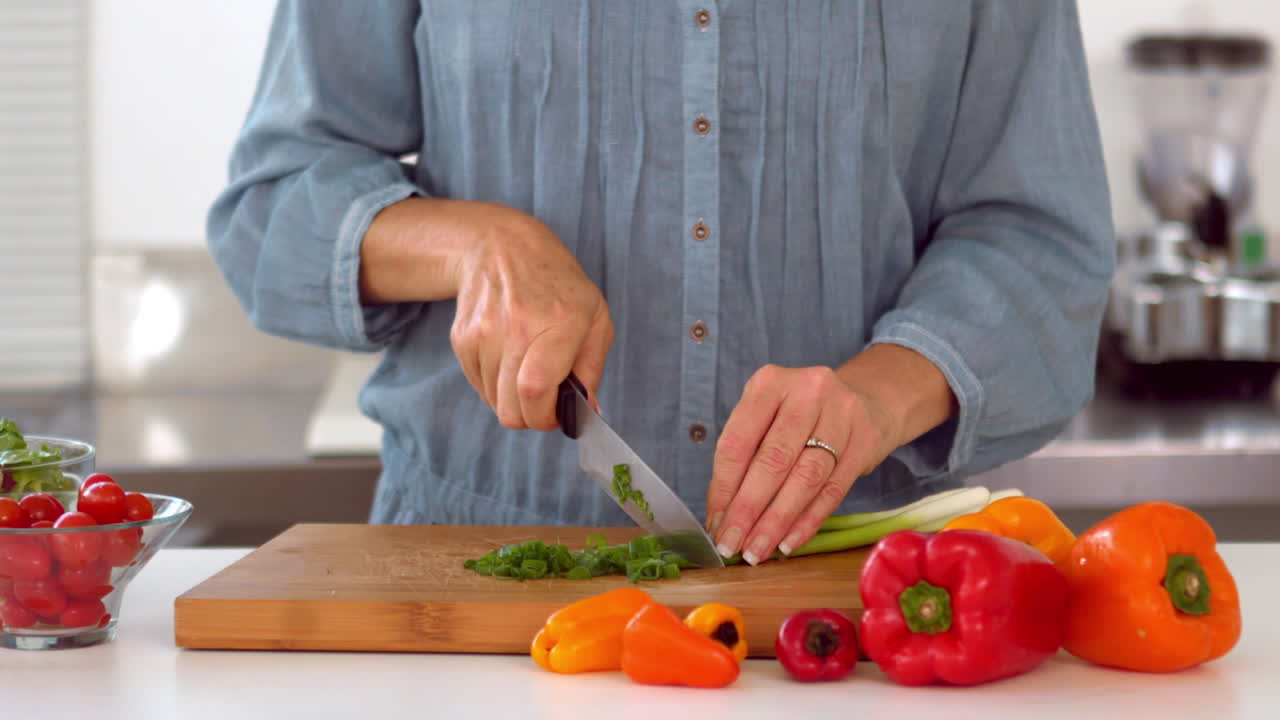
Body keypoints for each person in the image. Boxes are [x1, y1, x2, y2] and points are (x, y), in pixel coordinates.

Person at [208, 1, 1114, 566]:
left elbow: (1037, 236)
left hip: (858, 592)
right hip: (467, 573)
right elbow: (274, 201)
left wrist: (878, 397)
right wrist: (474, 244)